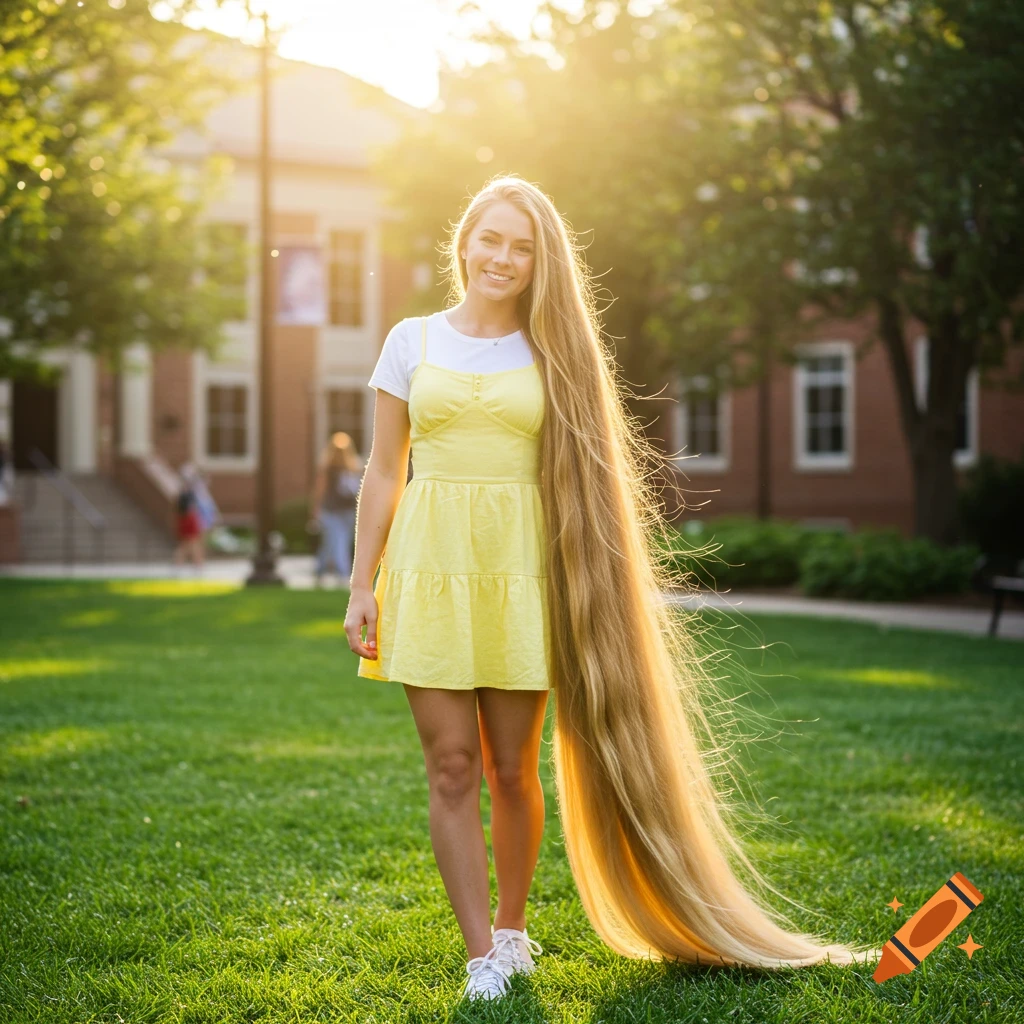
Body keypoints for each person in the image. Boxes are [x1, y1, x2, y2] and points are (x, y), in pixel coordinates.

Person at [344, 176, 877, 1003]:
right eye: (492, 239)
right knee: (451, 768)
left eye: (522, 248)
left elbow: (592, 486)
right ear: (464, 241)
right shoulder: (409, 342)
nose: (504, 258)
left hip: (526, 574)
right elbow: (384, 471)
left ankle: (514, 932)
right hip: (429, 568)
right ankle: (480, 952)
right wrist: (361, 585)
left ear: (538, 261)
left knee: (513, 768)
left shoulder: (553, 351)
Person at [310, 431, 363, 586]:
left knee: (332, 543)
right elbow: (320, 490)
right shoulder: (327, 469)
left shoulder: (353, 468)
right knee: (338, 541)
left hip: (349, 511)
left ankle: (320, 571)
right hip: (331, 512)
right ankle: (343, 574)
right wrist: (316, 509)